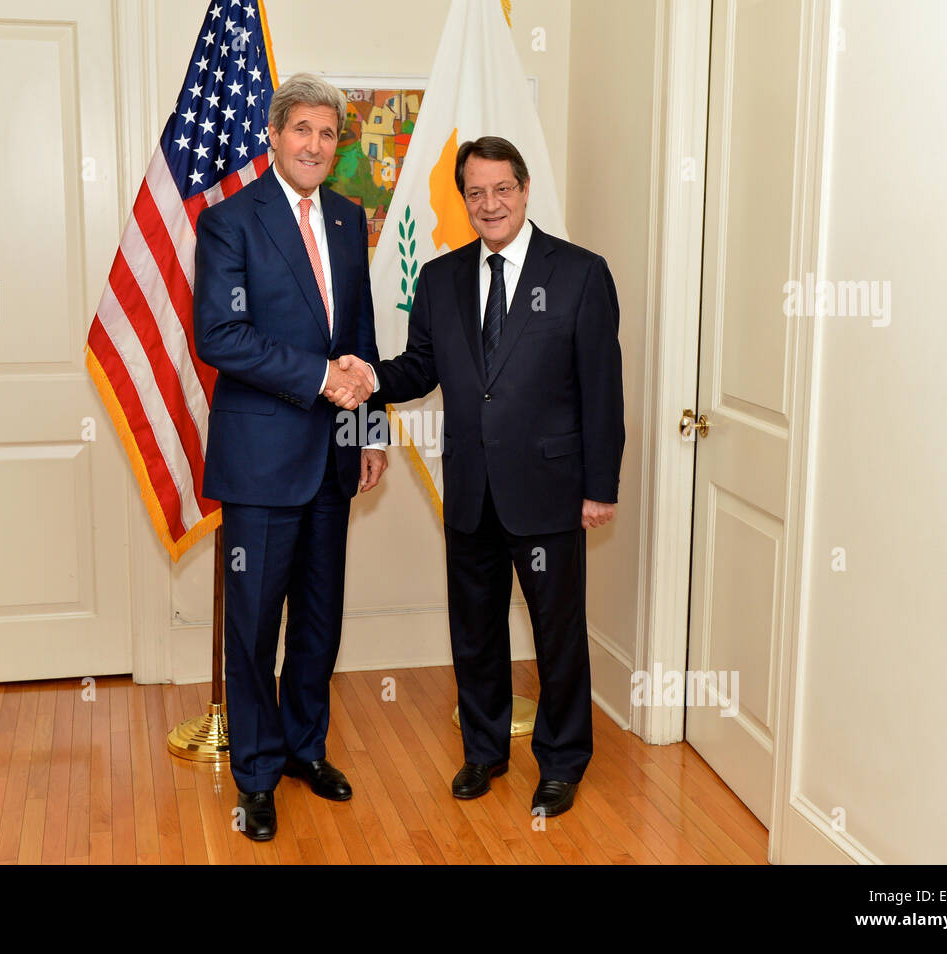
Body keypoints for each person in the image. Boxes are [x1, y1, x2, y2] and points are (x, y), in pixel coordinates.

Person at [336, 136, 624, 817]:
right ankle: (485, 752)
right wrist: (370, 375)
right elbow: (421, 367)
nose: (489, 203)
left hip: (549, 491)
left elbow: (602, 391)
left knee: (557, 632)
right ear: (463, 199)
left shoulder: (581, 274)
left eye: (502, 189)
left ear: (525, 190)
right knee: (476, 631)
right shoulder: (439, 278)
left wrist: (599, 486)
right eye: (476, 192)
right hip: (470, 490)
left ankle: (561, 761)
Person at [193, 73, 386, 842]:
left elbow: (361, 333)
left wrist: (368, 428)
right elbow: (221, 337)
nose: (314, 144)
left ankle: (307, 748)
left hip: (334, 459)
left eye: (327, 133)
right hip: (261, 461)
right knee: (253, 625)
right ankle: (258, 773)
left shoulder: (346, 218)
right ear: (274, 135)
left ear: (339, 147)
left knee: (318, 619)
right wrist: (318, 378)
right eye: (301, 129)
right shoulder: (231, 222)